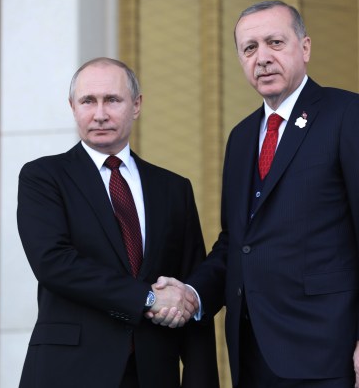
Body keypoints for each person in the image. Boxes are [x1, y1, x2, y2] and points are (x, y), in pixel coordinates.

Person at [151, 0, 359, 388]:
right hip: (253, 354)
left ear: (304, 48)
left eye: (275, 43)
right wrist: (192, 293)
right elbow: (237, 244)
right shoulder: (240, 138)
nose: (263, 58)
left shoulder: (349, 115)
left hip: (329, 351)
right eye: (250, 48)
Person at [17, 57, 219, 388]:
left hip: (154, 373)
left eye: (112, 100)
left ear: (136, 105)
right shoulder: (44, 177)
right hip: (69, 372)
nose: (100, 114)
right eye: (88, 101)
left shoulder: (173, 189)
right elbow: (53, 263)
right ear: (73, 107)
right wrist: (148, 298)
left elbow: (189, 286)